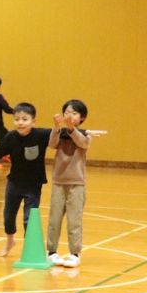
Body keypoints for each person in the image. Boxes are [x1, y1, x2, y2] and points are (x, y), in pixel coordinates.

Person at [0, 102, 52, 257]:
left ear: (33, 121)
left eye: (25, 119)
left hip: (33, 185)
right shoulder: (10, 137)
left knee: (29, 219)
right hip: (14, 183)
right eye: (17, 119)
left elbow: (61, 132)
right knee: (8, 217)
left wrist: (85, 132)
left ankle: (29, 248)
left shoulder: (41, 135)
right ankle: (10, 241)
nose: (20, 122)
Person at [47, 100, 100, 268]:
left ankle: (74, 253)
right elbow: (51, 144)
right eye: (67, 112)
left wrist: (71, 129)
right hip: (58, 181)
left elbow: (82, 143)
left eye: (75, 113)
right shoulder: (59, 132)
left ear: (82, 118)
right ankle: (51, 252)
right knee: (54, 218)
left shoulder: (85, 135)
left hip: (76, 183)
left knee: (74, 219)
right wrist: (56, 127)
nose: (70, 116)